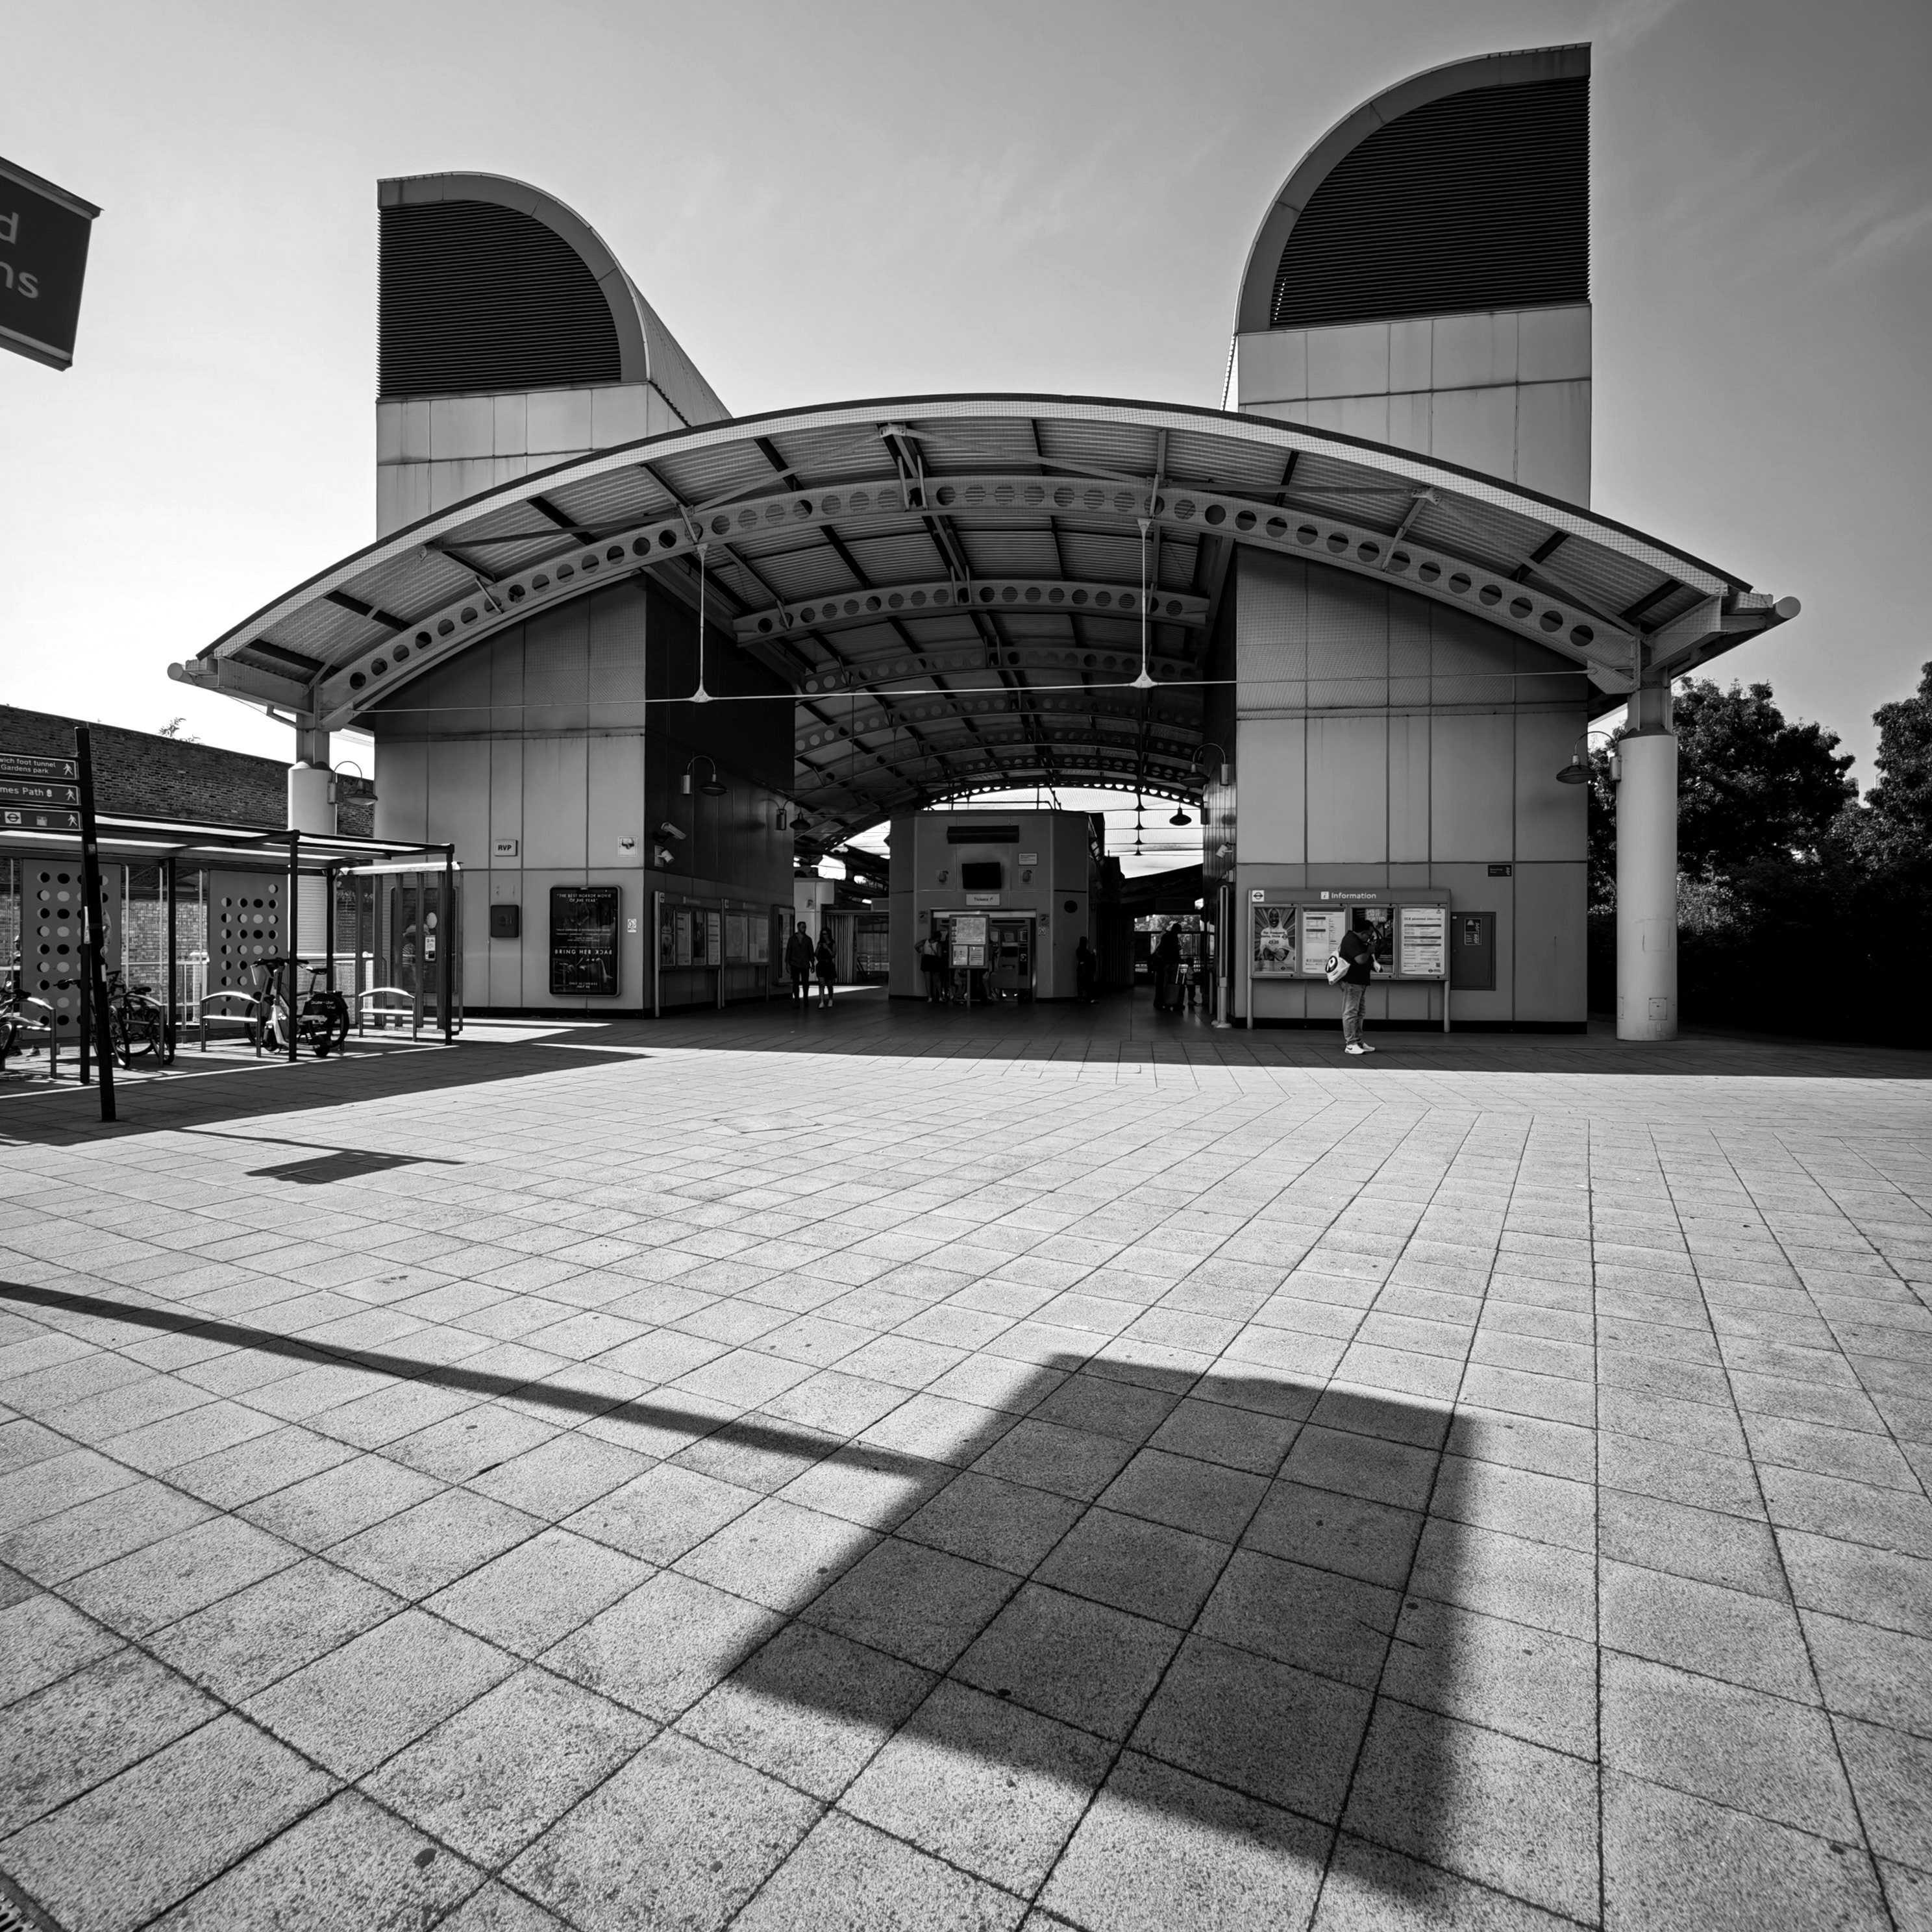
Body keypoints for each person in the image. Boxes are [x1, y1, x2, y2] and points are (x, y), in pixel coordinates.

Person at [1337, 916, 1378, 1056]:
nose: (1370, 937)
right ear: (1362, 933)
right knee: (1351, 1013)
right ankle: (1351, 1044)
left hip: (1359, 981)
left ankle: (1358, 1041)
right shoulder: (1351, 940)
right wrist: (1369, 950)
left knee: (1359, 1013)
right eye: (1369, 934)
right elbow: (1360, 959)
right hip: (1352, 982)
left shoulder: (1357, 940)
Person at [1152, 924, 1182, 1013]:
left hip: (1163, 963)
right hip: (1168, 963)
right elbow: (1173, 951)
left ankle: (1161, 1002)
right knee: (1169, 983)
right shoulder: (1173, 938)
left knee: (1162, 984)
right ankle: (1170, 1001)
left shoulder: (1166, 936)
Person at [786, 921, 814, 1006]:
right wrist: (788, 963)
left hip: (805, 964)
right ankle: (797, 1000)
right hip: (795, 964)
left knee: (806, 983)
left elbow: (811, 952)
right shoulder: (792, 939)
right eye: (803, 927)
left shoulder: (808, 939)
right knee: (796, 983)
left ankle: (806, 998)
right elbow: (789, 951)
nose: (804, 929)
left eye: (805, 927)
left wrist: (812, 964)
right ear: (798, 928)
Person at [921, 929, 947, 1003]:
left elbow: (916, 946)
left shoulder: (925, 941)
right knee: (937, 980)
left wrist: (921, 952)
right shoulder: (938, 944)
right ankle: (940, 997)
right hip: (935, 961)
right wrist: (934, 950)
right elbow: (940, 955)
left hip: (926, 960)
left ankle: (930, 997)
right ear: (938, 937)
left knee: (927, 981)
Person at [815, 926, 837, 1009]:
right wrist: (818, 947)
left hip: (829, 964)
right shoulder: (820, 943)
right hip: (821, 964)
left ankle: (830, 999)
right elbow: (816, 954)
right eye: (823, 934)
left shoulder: (832, 943)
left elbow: (833, 955)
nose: (824, 936)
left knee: (830, 984)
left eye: (826, 934)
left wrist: (827, 948)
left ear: (829, 934)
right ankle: (822, 1001)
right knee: (821, 984)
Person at [1074, 935, 1096, 1005]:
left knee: (1080, 985)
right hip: (1087, 970)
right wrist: (1094, 954)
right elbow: (1090, 958)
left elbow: (1082, 960)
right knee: (1089, 985)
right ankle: (1089, 999)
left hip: (1081, 970)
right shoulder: (1085, 951)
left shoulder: (1078, 950)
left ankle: (1080, 999)